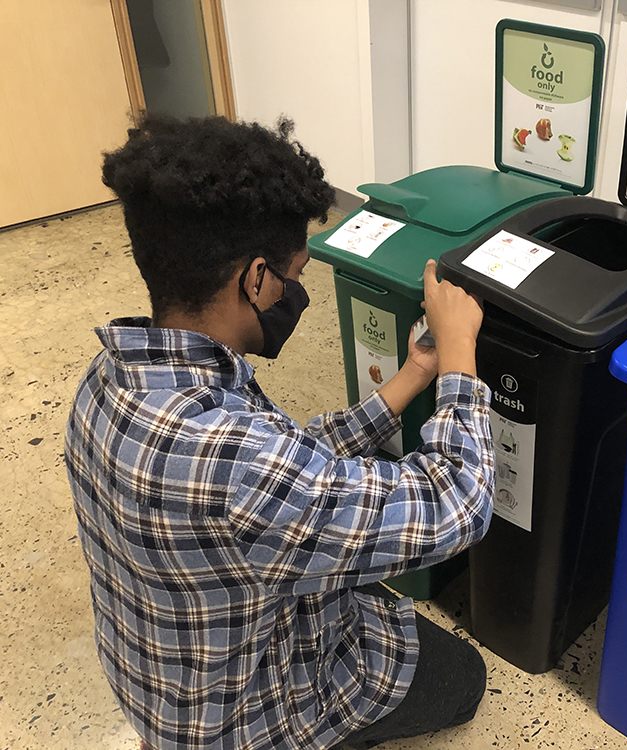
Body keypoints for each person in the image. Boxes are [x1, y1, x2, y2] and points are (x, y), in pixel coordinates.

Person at [63, 114, 495, 750]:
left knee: (360, 569)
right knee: (465, 677)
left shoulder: (112, 378)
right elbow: (459, 504)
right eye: (293, 276)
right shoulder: (236, 465)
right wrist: (459, 355)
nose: (298, 293)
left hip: (167, 684)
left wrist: (412, 376)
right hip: (252, 720)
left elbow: (285, 467)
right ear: (256, 278)